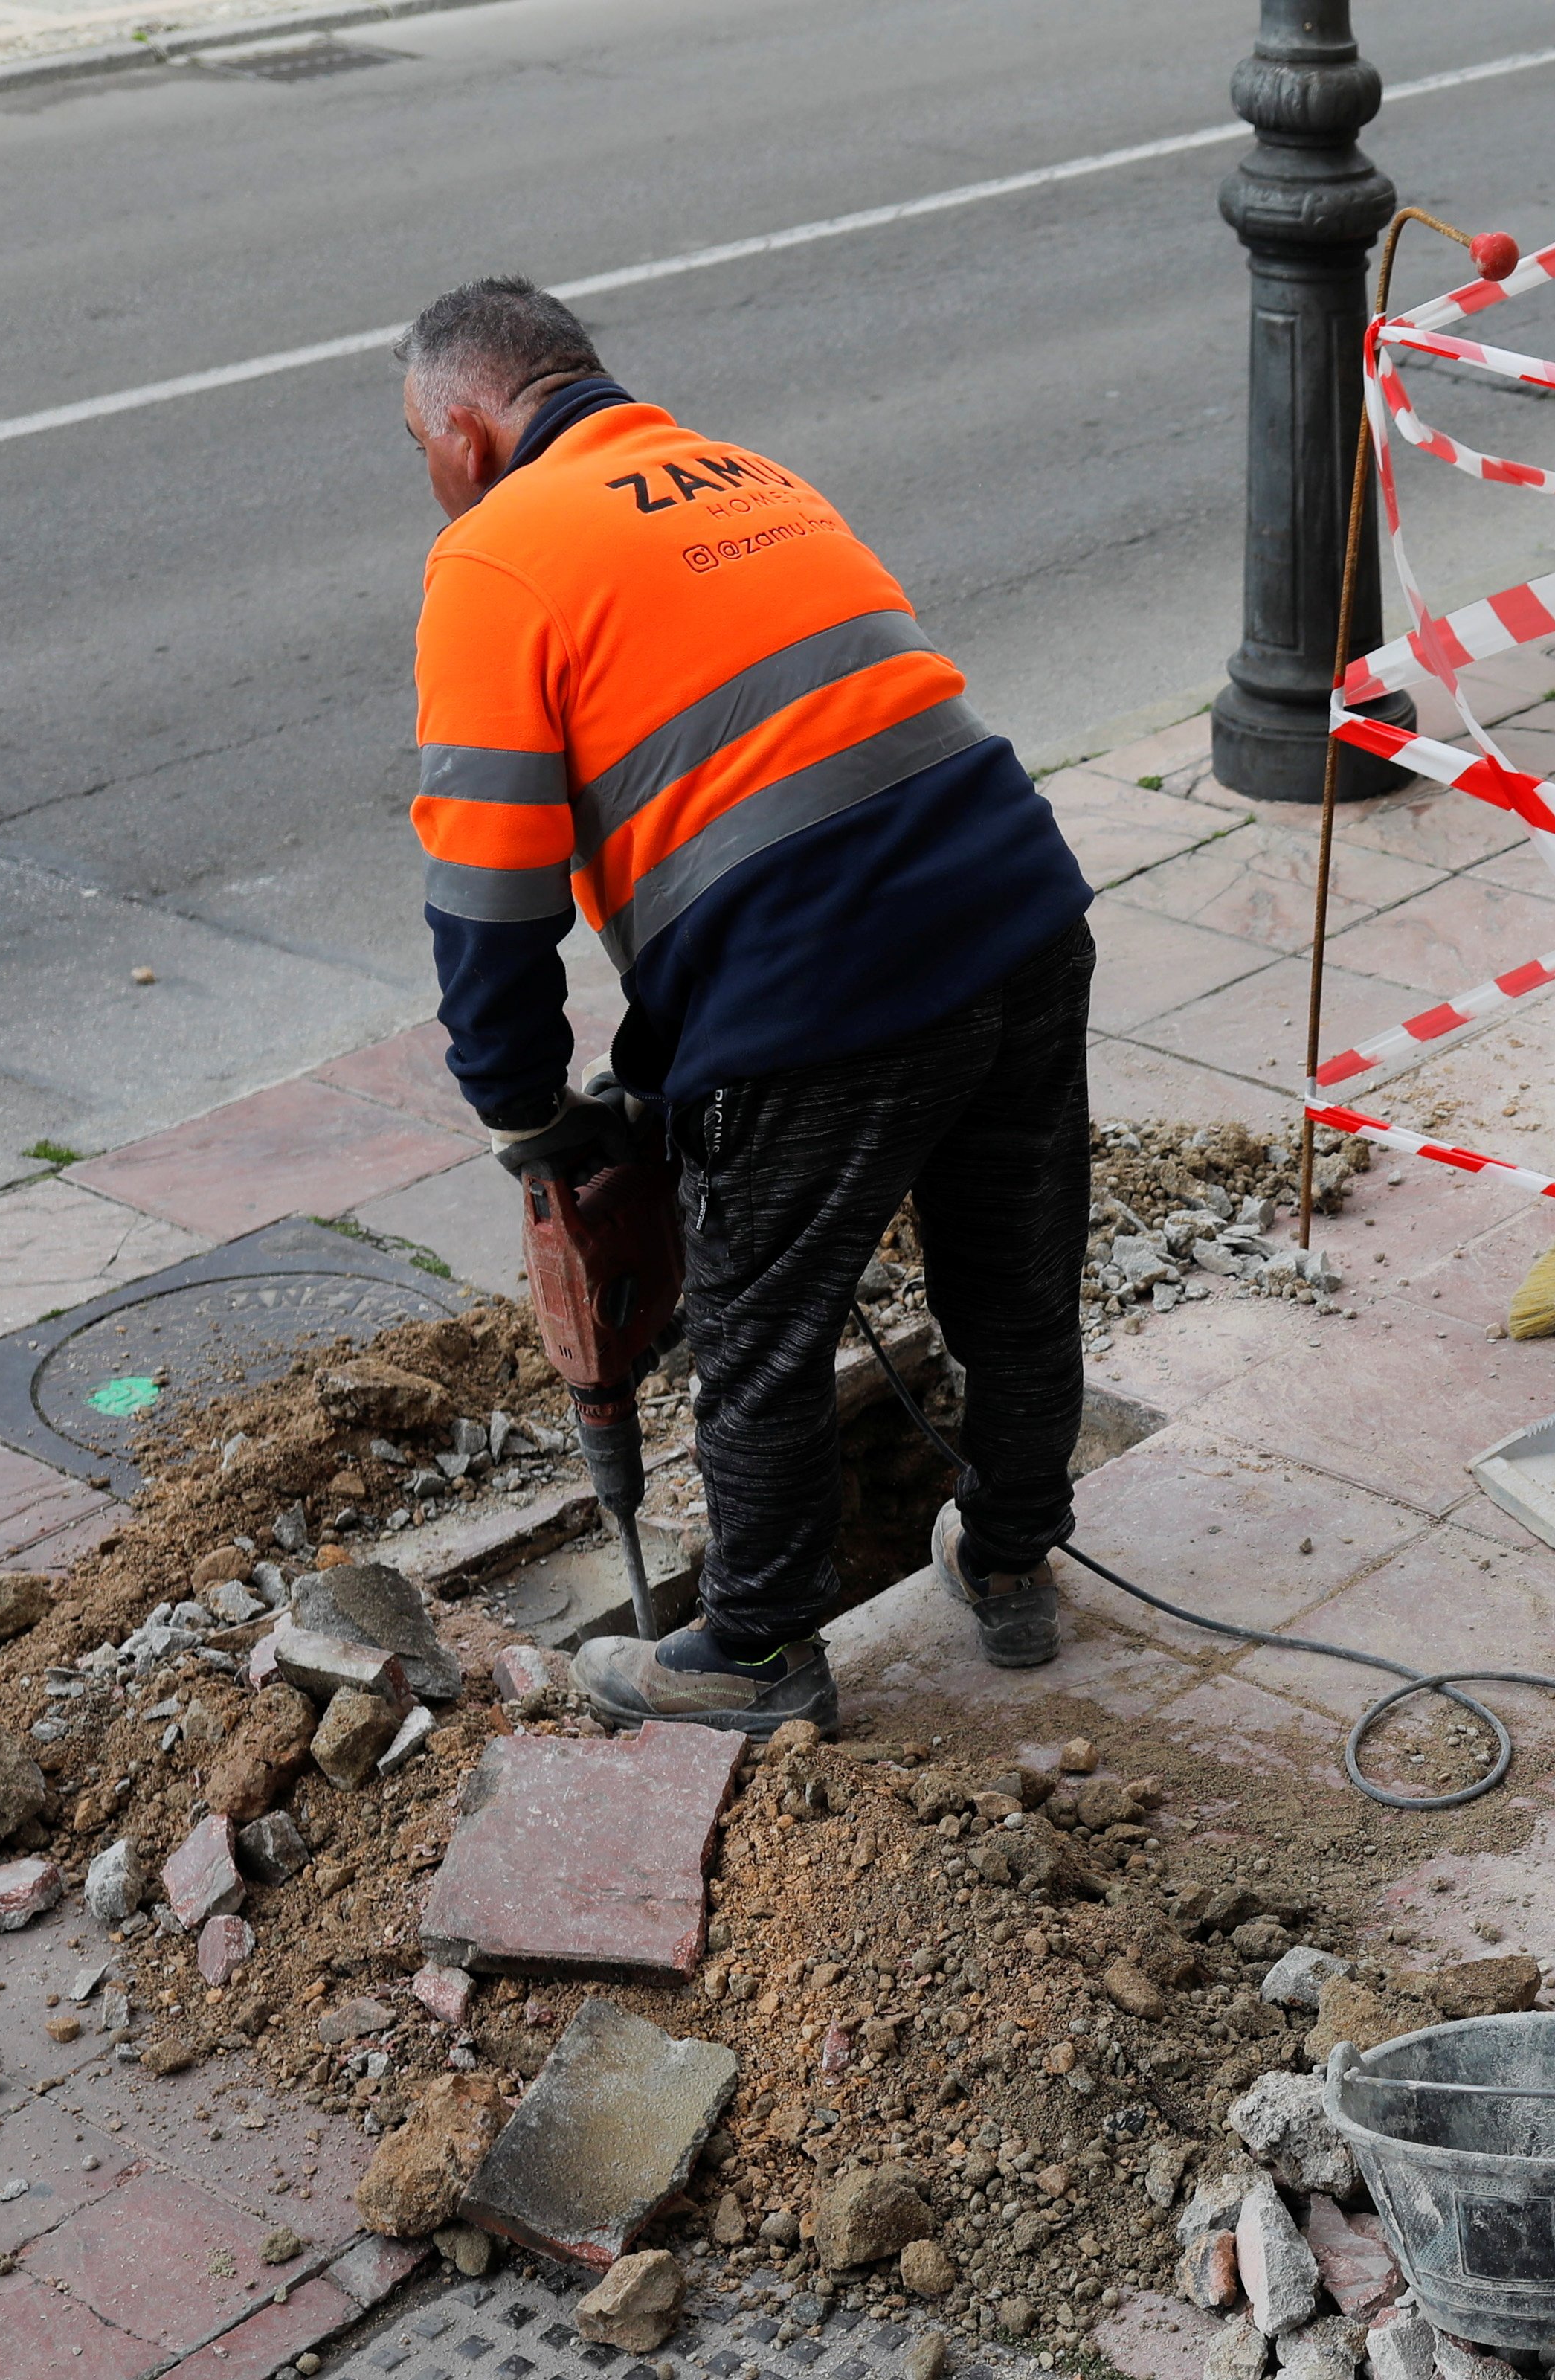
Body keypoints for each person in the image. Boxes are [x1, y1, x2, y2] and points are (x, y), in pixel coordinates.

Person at [396, 277, 1094, 1731]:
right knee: (1012, 1276)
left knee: (758, 1329)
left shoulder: (492, 554)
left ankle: (758, 1652)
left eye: (420, 450)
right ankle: (1013, 1565)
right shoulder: (746, 469)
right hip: (1017, 902)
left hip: (815, 980)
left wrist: (525, 1108)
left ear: (464, 427)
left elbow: (486, 895)